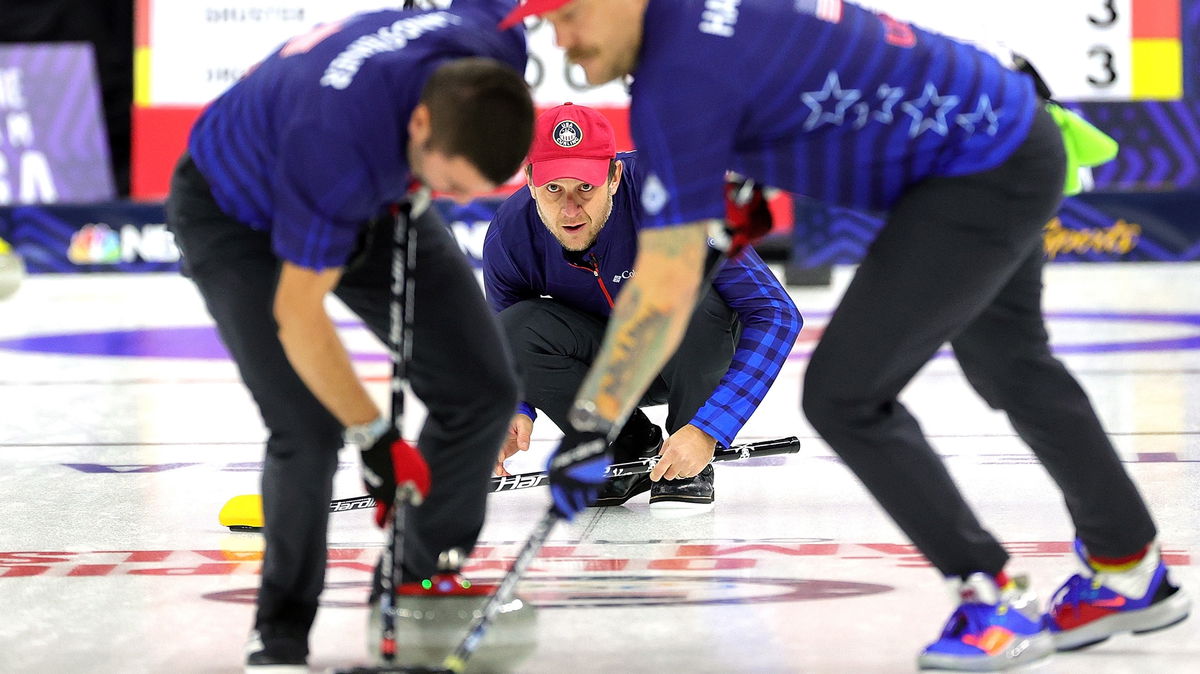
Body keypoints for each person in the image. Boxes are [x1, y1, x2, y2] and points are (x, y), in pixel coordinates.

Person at [498, 0, 1190, 670]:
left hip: (974, 165)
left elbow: (668, 279)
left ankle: (992, 598)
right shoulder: (694, 36)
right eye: (547, 23)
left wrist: (590, 427)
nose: (560, 40)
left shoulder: (681, 71)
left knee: (845, 395)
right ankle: (1128, 568)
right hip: (1012, 132)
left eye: (571, 14)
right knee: (1012, 364)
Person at [164, 3, 534, 671]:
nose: (450, 200)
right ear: (421, 123)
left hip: (382, 189)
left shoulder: (495, 53)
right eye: (448, 183)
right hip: (237, 211)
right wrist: (377, 439)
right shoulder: (335, 143)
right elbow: (299, 318)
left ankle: (418, 576)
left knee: (481, 387)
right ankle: (280, 635)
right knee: (307, 426)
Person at [483, 103, 801, 511]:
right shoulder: (510, 234)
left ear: (614, 177)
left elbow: (775, 312)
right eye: (553, 189)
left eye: (585, 187)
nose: (569, 208)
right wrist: (516, 409)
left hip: (693, 348)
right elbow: (505, 347)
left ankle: (689, 454)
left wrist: (709, 427)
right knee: (512, 328)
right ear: (529, 182)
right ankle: (625, 444)